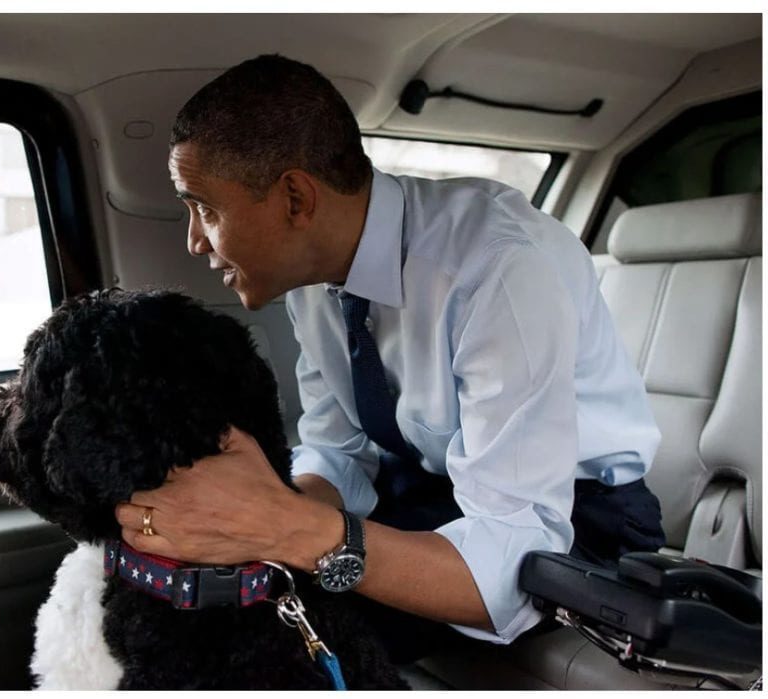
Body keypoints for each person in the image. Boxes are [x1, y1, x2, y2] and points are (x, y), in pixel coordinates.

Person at [113, 54, 665, 659]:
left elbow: (509, 564)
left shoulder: (499, 268)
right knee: (219, 609)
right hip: (434, 490)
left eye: (206, 209)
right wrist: (258, 510)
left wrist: (286, 527)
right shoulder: (314, 278)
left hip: (580, 524)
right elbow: (339, 448)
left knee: (277, 648)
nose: (195, 240)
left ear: (295, 199)